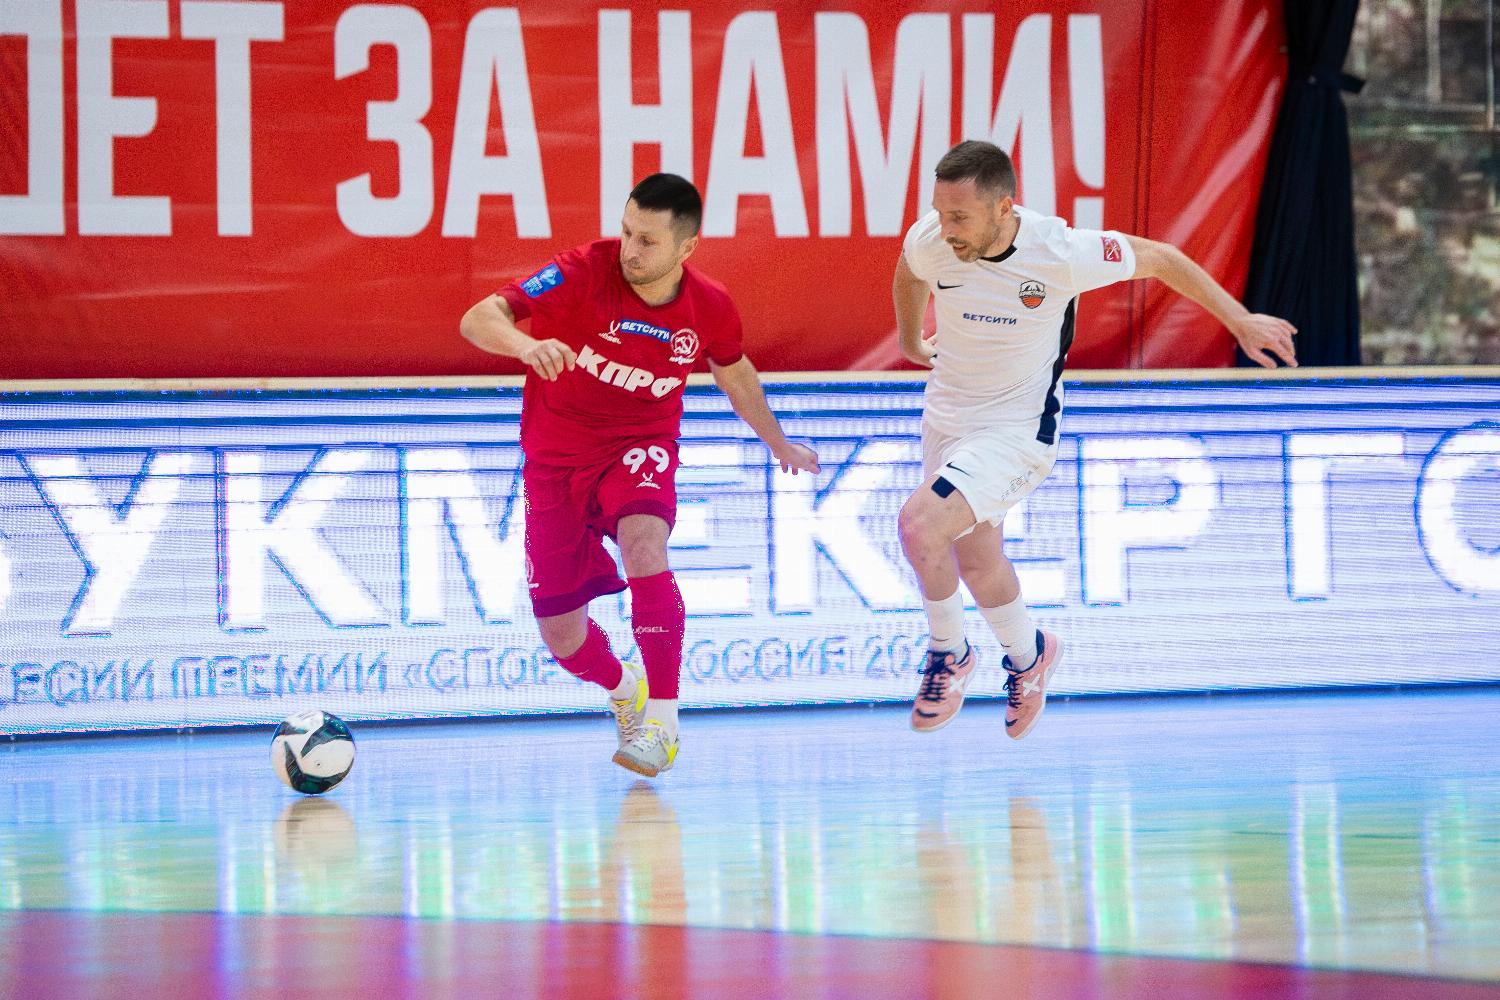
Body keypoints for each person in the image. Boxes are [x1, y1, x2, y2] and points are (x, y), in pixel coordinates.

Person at [893, 140, 1296, 739]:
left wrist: (1239, 319)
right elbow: (910, 270)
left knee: (919, 525)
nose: (945, 229)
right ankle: (1031, 655)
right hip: (947, 419)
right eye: (940, 213)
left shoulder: (1060, 252)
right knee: (977, 560)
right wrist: (909, 339)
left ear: (1004, 208)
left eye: (960, 217)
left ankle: (949, 653)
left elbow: (1160, 257)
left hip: (1016, 433)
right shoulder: (935, 239)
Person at [460, 173, 819, 777]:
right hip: (555, 463)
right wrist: (524, 346)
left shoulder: (709, 305)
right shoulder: (581, 270)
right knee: (563, 639)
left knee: (645, 543)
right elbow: (479, 317)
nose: (629, 249)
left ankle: (663, 723)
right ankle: (626, 687)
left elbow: (733, 372)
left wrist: (777, 440)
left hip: (639, 446)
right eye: (627, 232)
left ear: (687, 247)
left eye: (647, 240)